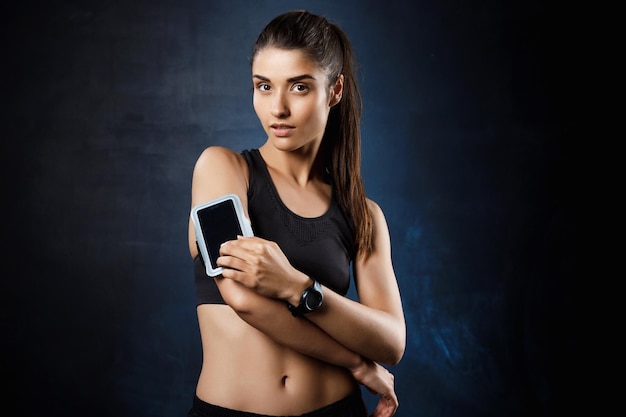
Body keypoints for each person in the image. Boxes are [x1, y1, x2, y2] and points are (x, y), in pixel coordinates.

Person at [187, 10, 406, 417]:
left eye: (299, 87)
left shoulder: (363, 214)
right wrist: (355, 361)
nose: (278, 108)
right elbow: (242, 297)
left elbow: (391, 342)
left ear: (334, 91)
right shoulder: (221, 169)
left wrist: (298, 286)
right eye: (264, 86)